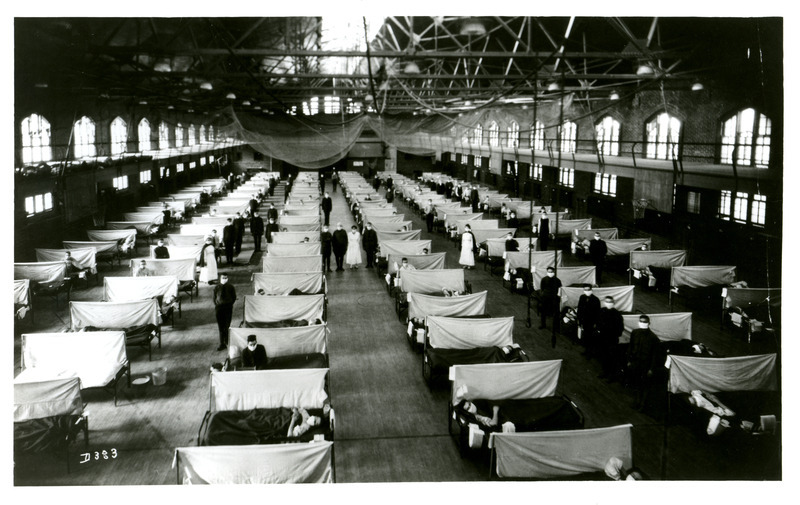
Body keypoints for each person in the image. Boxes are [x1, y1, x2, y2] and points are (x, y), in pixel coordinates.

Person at [626, 315, 664, 410]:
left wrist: (651, 369)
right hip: (635, 363)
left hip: (645, 366)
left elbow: (655, 356)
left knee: (645, 386)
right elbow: (631, 347)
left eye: (645, 322)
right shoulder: (635, 333)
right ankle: (637, 402)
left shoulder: (653, 338)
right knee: (636, 384)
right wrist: (629, 361)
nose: (642, 323)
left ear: (649, 323)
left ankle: (643, 405)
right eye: (641, 321)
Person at [596, 296, 624, 379]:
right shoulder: (602, 311)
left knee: (612, 357)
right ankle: (605, 372)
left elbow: (620, 328)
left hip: (612, 339)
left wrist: (614, 336)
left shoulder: (617, 314)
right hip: (602, 338)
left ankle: (612, 375)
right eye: (607, 301)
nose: (608, 303)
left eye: (610, 302)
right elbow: (598, 322)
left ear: (613, 303)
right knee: (603, 356)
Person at [213, 273, 237, 351]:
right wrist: (218, 304)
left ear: (227, 278)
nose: (224, 279)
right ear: (220, 278)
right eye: (223, 278)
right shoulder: (217, 287)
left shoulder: (231, 287)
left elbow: (234, 297)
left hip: (228, 308)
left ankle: (227, 342)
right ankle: (221, 344)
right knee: (220, 327)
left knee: (227, 326)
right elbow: (214, 298)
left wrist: (229, 304)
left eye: (226, 278)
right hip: (219, 308)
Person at [577, 284, 601, 350]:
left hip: (591, 321)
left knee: (590, 336)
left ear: (591, 290)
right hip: (584, 320)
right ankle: (586, 349)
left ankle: (590, 350)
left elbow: (598, 313)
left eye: (588, 290)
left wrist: (596, 323)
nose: (587, 291)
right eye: (585, 290)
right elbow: (579, 309)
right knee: (585, 336)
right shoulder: (582, 297)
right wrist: (579, 319)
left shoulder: (596, 300)